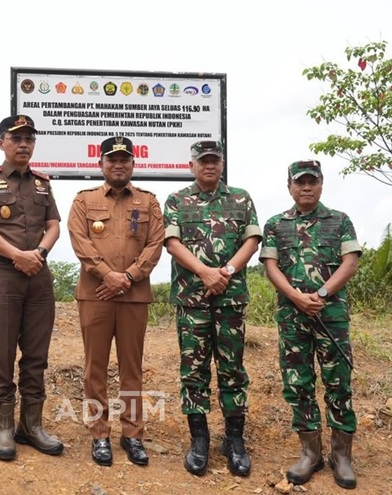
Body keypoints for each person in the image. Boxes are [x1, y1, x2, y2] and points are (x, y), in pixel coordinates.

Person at [259, 160, 362, 489]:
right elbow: (271, 266)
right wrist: (296, 298)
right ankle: (310, 454)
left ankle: (341, 457)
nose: (306, 187)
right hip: (293, 319)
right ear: (289, 186)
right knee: (298, 383)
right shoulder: (276, 224)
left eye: (312, 181)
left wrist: (321, 294)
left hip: (331, 317)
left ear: (321, 184)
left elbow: (350, 262)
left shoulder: (340, 220)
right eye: (300, 182)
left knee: (338, 382)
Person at [163, 140, 261, 477]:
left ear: (222, 164)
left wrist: (226, 272)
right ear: (191, 165)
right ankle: (199, 439)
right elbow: (172, 243)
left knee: (232, 369)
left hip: (230, 299)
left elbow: (252, 240)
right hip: (192, 300)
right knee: (194, 370)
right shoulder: (177, 200)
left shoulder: (241, 198)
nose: (209, 166)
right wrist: (205, 272)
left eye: (214, 160)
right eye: (203, 161)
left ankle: (234, 440)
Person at [0, 114, 63, 461]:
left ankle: (31, 425)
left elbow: (54, 226)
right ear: (1, 143)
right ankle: (4, 427)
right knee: (2, 353)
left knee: (37, 355)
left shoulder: (42, 183)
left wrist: (38, 254)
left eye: (29, 139)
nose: (24, 144)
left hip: (38, 275)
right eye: (16, 138)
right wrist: (17, 255)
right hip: (1, 274)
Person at [67, 136, 165, 467]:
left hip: (134, 296)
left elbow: (155, 244)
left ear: (133, 164)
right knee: (95, 367)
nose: (118, 164)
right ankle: (99, 433)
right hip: (95, 294)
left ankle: (132, 434)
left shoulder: (148, 202)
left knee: (131, 368)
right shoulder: (84, 200)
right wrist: (108, 275)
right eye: (112, 159)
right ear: (101, 164)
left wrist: (129, 277)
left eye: (125, 159)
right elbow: (80, 241)